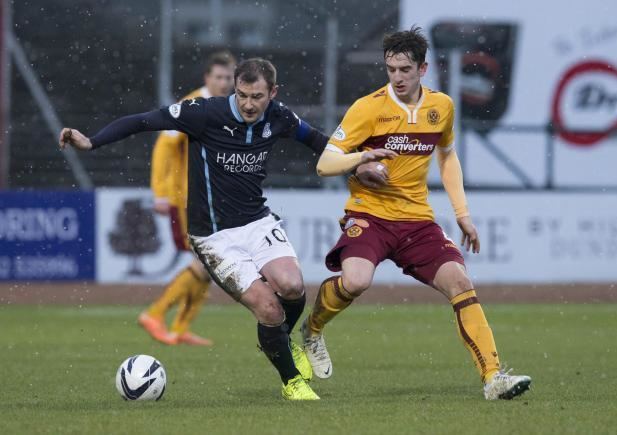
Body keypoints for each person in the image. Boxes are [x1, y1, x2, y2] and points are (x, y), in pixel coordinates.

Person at [59, 58, 391, 400]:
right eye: (242, 94)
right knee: (268, 309)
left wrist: (357, 166)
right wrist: (92, 142)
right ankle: (292, 382)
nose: (248, 104)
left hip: (257, 221)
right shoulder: (203, 113)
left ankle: (279, 342)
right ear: (234, 88)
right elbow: (143, 121)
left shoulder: (280, 116)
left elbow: (321, 143)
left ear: (272, 93)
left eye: (257, 96)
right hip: (214, 236)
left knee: (292, 287)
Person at [300, 26, 532, 400]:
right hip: (370, 215)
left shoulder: (441, 107)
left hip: (416, 220)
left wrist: (462, 213)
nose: (397, 77)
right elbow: (325, 164)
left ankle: (493, 378)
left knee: (459, 281)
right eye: (391, 69)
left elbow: (447, 154)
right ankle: (312, 329)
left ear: (423, 70)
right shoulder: (369, 107)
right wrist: (363, 157)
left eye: (405, 69)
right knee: (356, 281)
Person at [139, 50, 236, 346]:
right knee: (207, 261)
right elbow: (164, 148)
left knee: (209, 263)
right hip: (186, 199)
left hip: (210, 199)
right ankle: (155, 314)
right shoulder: (191, 106)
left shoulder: (229, 106)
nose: (223, 83)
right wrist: (160, 192)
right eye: (218, 77)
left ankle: (179, 329)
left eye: (228, 77)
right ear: (207, 78)